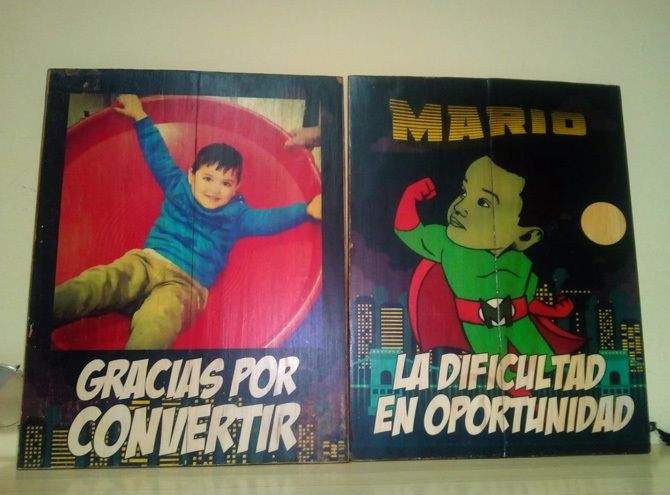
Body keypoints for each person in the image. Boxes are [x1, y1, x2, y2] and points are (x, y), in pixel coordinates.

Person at [53, 94, 322, 350]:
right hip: (147, 262)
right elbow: (157, 156)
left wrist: (306, 209)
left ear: (236, 187)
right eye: (208, 178)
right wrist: (140, 117)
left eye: (226, 183)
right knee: (101, 282)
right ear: (192, 175)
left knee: (160, 317)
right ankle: (43, 310)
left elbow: (269, 220)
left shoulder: (238, 216)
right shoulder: (177, 184)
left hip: (186, 285)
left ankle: (133, 369)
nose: (215, 189)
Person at [395, 156, 583, 387]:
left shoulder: (521, 261)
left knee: (549, 366)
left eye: (484, 203)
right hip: (479, 327)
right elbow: (408, 230)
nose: (460, 207)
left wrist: (553, 312)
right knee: (502, 379)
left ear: (525, 235)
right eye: (464, 192)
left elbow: (526, 301)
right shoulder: (446, 244)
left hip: (521, 323)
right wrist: (410, 197)